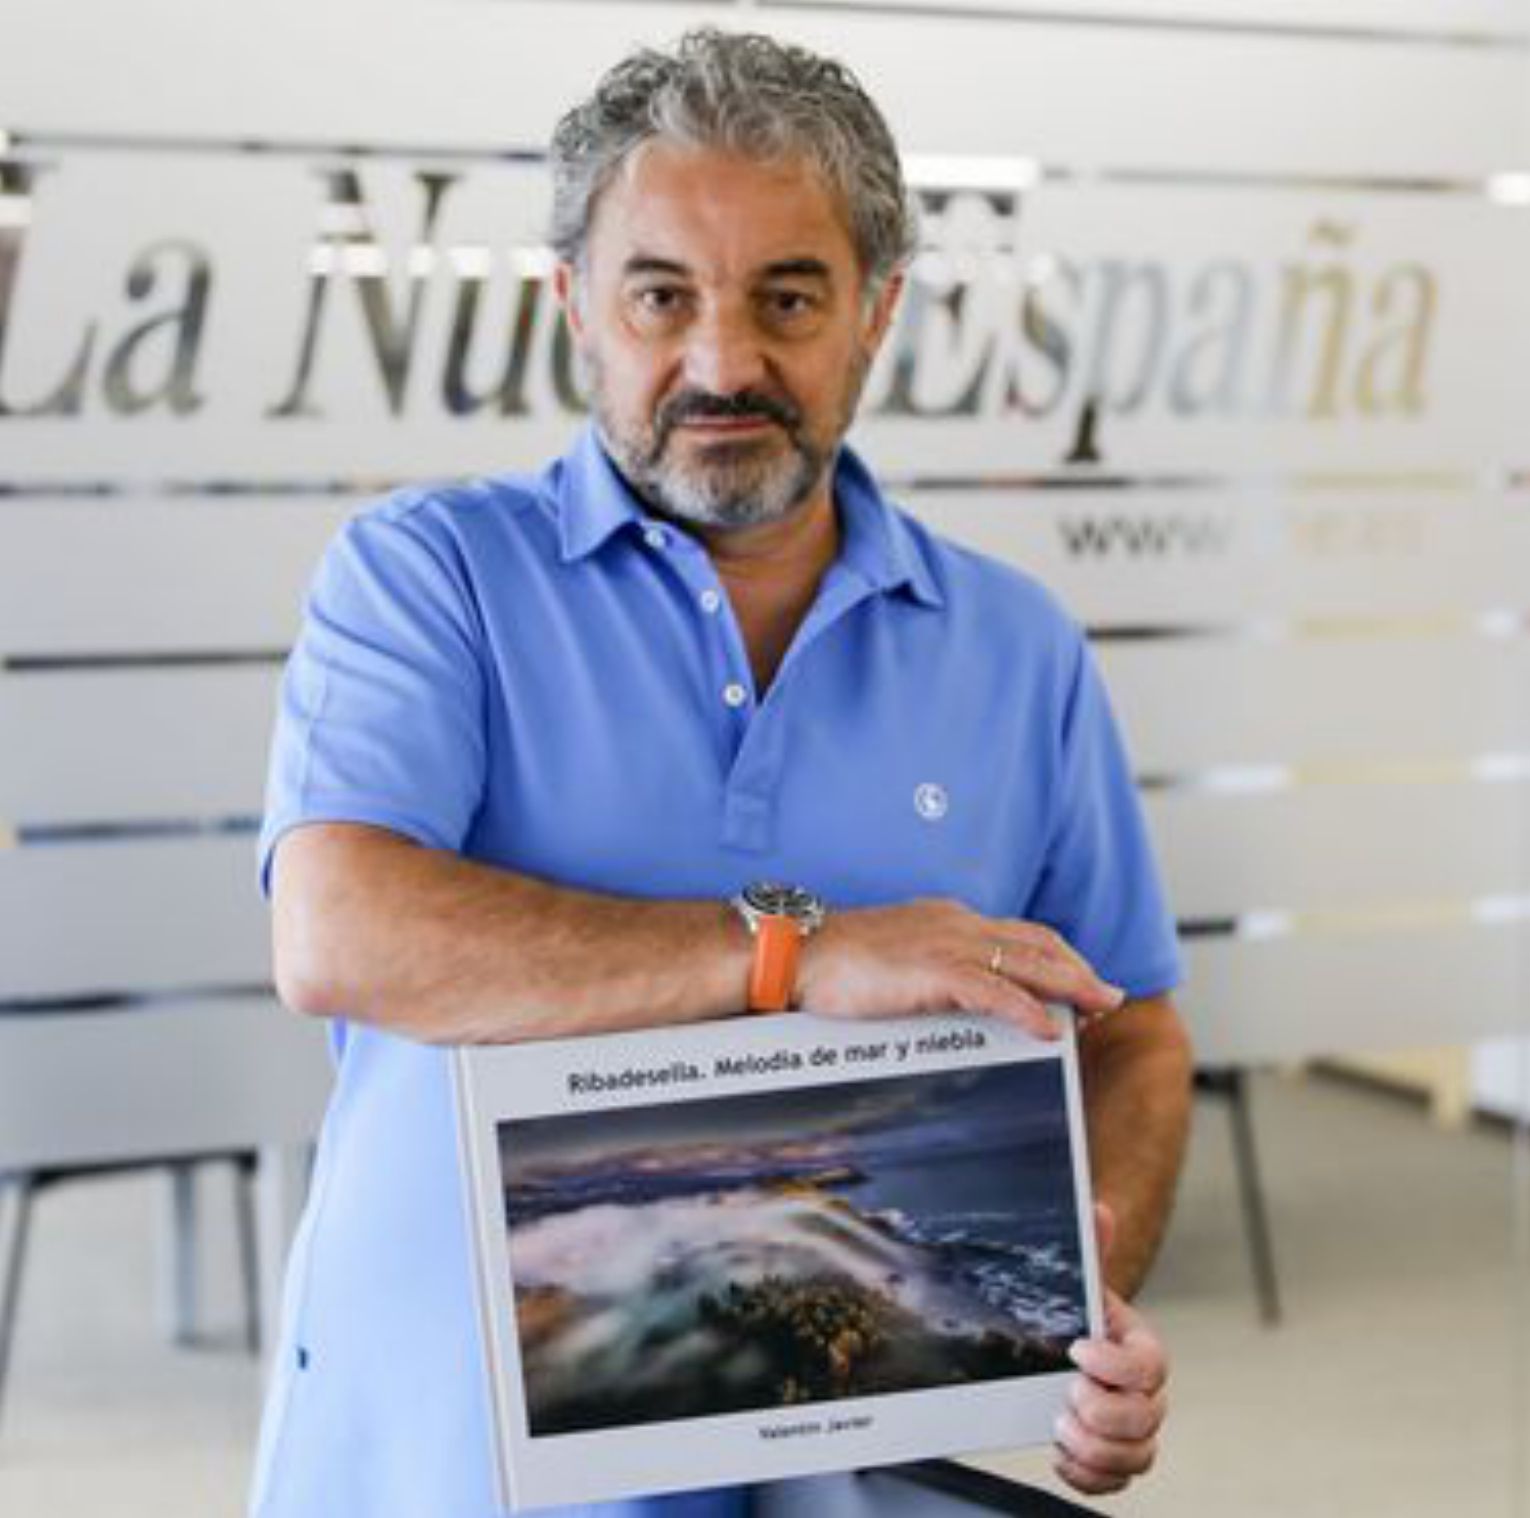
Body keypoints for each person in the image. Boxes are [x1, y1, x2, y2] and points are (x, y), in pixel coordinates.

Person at [251, 28, 1192, 1518]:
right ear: (575, 305)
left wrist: (1086, 1290)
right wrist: (801, 956)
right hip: (449, 1471)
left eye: (789, 297)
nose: (721, 361)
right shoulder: (428, 579)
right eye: (661, 294)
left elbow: (1133, 1033)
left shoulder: (1016, 651)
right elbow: (340, 933)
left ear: (876, 314)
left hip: (865, 1472)